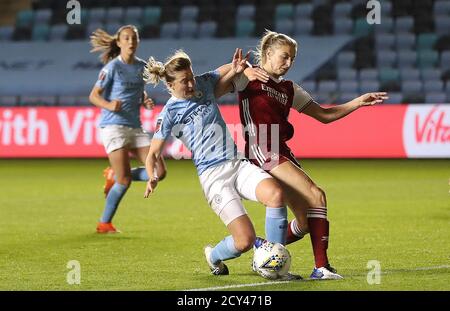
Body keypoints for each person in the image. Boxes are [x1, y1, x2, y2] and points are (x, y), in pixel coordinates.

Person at [229, 30, 388, 279]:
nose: (288, 63)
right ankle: (321, 267)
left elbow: (325, 116)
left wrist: (357, 102)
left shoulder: (289, 89)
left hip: (281, 151)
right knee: (317, 195)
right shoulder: (249, 78)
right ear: (268, 53)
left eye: (292, 58)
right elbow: (222, 80)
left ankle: (264, 250)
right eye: (284, 56)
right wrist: (242, 70)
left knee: (304, 223)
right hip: (262, 149)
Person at [143, 49, 298, 279]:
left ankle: (271, 263)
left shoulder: (203, 84)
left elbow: (226, 70)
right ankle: (213, 256)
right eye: (184, 81)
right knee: (244, 241)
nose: (190, 83)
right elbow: (152, 153)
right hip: (213, 178)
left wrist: (236, 68)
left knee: (275, 194)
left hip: (237, 164)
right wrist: (151, 176)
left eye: (191, 76)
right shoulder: (168, 114)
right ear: (171, 86)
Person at [89, 25, 167, 234]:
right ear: (119, 42)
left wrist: (145, 100)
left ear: (138, 42)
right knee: (124, 182)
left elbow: (138, 91)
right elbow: (93, 95)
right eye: (126, 38)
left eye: (134, 38)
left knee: (159, 171)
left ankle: (114, 175)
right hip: (113, 126)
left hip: (135, 126)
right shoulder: (112, 68)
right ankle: (104, 223)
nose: (131, 41)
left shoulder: (141, 67)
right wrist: (108, 105)